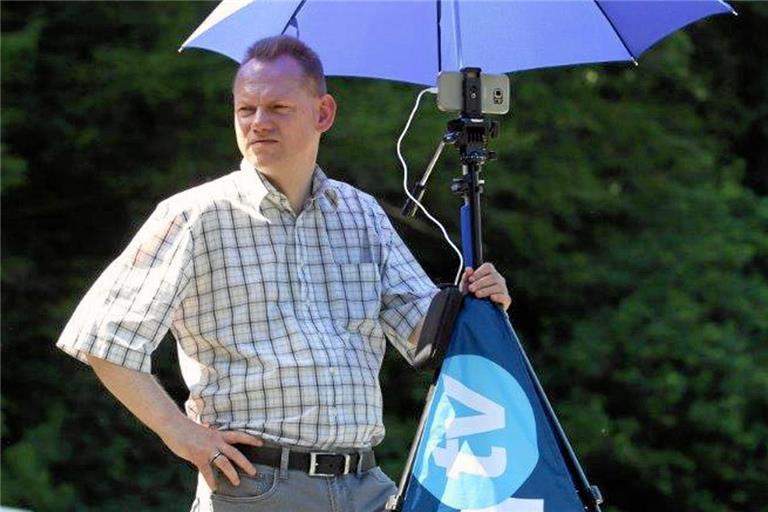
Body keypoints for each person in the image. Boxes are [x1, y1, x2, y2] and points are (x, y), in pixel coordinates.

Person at [56, 35, 511, 512]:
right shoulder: (194, 216)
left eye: (276, 107)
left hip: (368, 486)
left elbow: (427, 340)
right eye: (245, 109)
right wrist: (183, 435)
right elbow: (103, 339)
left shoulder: (361, 214)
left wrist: (477, 303)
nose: (258, 123)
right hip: (256, 487)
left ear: (323, 114)